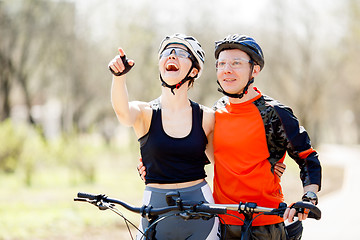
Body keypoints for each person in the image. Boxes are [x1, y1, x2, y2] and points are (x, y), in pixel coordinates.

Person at [108, 33, 220, 240]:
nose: (171, 56)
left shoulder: (207, 117)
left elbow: (224, 163)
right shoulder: (145, 112)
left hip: (201, 212)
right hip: (155, 211)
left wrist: (271, 164)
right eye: (167, 52)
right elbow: (123, 113)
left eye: (180, 53)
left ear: (194, 71)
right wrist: (119, 76)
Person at [212, 34, 322, 240]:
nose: (227, 69)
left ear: (255, 70)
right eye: (222, 63)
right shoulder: (215, 111)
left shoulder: (276, 113)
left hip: (264, 224)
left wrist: (309, 197)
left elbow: (308, 158)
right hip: (221, 222)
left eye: (236, 63)